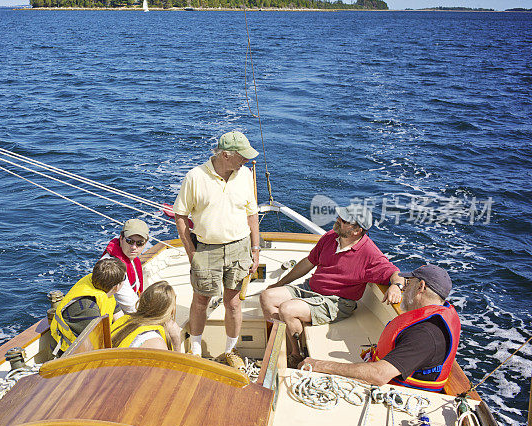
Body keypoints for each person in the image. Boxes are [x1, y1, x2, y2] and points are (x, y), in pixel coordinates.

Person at [259, 204, 403, 367]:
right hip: (310, 289)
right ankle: (279, 346)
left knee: (287, 309)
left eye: (344, 220)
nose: (338, 220)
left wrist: (396, 286)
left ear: (357, 230)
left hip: (336, 302)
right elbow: (308, 262)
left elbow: (395, 272)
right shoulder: (330, 237)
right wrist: (279, 284)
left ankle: (296, 354)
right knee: (267, 296)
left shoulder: (370, 254)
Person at [173, 131, 260, 369]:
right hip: (206, 249)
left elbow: (252, 214)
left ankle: (231, 350)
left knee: (233, 303)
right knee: (201, 301)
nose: (246, 161)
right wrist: (192, 254)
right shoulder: (195, 177)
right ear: (225, 155)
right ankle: (196, 351)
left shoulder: (245, 175)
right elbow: (180, 215)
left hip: (240, 248)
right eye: (242, 157)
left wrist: (255, 249)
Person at [301, 265, 461, 392]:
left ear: (421, 287)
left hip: (400, 396)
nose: (404, 288)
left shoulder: (426, 334)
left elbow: (379, 375)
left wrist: (319, 365)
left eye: (408, 283)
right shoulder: (434, 317)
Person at [101, 218, 183, 351]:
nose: (134, 247)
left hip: (129, 315)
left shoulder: (130, 258)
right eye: (129, 241)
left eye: (139, 243)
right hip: (117, 319)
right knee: (172, 329)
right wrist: (162, 318)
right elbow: (132, 306)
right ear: (121, 238)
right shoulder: (114, 268)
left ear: (145, 243)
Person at [50, 257, 126, 354]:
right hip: (67, 355)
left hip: (90, 346)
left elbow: (120, 319)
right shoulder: (87, 308)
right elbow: (99, 344)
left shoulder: (104, 290)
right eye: (124, 278)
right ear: (116, 287)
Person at [111, 281, 177, 350]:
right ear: (170, 311)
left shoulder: (125, 320)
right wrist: (176, 342)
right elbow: (173, 360)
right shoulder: (156, 343)